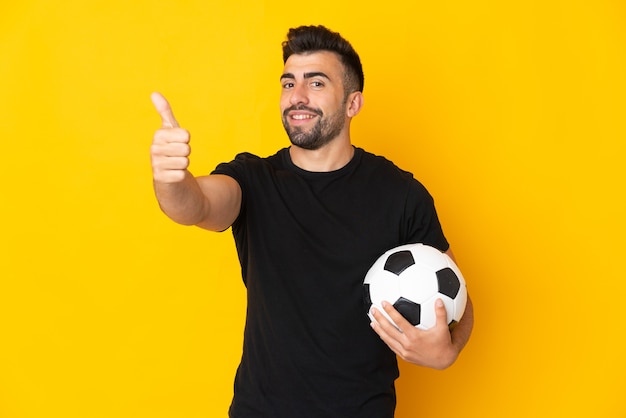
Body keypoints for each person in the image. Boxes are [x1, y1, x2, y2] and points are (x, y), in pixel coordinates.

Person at [150, 25, 474, 418]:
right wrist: (171, 179)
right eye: (289, 84)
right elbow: (194, 206)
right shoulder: (252, 179)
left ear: (353, 103)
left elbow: (456, 291)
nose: (296, 97)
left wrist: (448, 351)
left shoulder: (400, 194)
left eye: (315, 83)